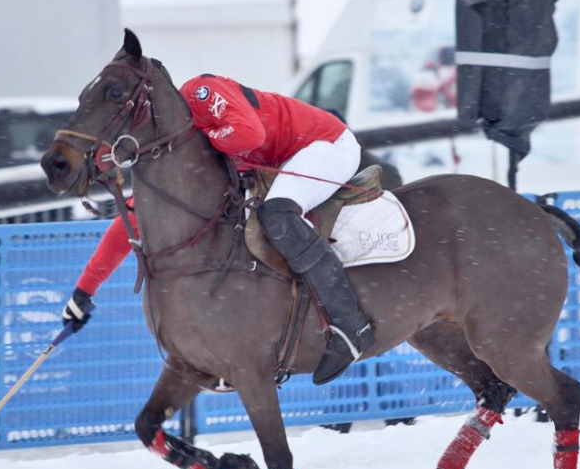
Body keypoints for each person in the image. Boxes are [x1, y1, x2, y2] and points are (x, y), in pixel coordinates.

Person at [62, 74, 374, 385]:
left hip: (326, 144)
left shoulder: (199, 92)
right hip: (286, 162)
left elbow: (249, 135)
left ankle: (350, 325)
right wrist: (83, 292)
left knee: (277, 213)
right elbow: (131, 220)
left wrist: (203, 144)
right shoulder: (178, 158)